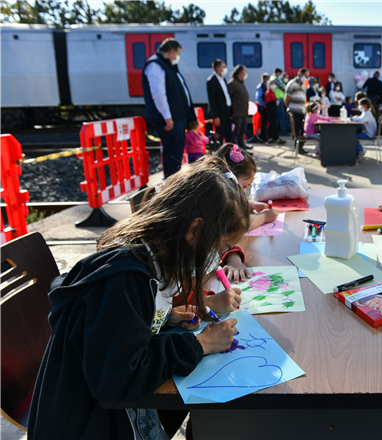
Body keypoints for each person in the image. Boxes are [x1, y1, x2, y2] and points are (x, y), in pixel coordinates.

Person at [27, 157, 247, 439]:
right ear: (194, 230)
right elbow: (118, 379)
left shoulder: (148, 259)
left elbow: (117, 331)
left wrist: (163, 318)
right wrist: (199, 345)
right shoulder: (124, 280)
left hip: (108, 415)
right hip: (90, 425)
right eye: (221, 247)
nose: (218, 259)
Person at [142, 38, 194, 178]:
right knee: (172, 151)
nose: (178, 57)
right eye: (178, 53)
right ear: (171, 52)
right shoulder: (155, 65)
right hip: (170, 118)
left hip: (177, 116)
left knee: (176, 151)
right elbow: (158, 94)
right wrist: (167, 117)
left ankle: (174, 180)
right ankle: (171, 181)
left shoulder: (168, 66)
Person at [214, 143, 279, 232]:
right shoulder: (218, 193)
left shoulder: (220, 184)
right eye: (244, 186)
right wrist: (264, 217)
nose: (244, 192)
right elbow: (240, 224)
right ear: (231, 176)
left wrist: (249, 204)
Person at [206, 59, 232, 147]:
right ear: (218, 68)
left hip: (227, 110)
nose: (225, 69)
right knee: (220, 135)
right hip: (219, 112)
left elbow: (227, 95)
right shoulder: (211, 81)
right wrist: (216, 116)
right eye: (223, 67)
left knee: (228, 134)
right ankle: (219, 153)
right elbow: (212, 100)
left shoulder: (223, 79)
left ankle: (229, 152)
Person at [227, 65, 251, 150]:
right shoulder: (232, 83)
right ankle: (235, 147)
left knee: (242, 130)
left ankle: (242, 145)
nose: (245, 74)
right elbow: (228, 98)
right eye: (245, 72)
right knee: (236, 131)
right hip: (236, 112)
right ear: (241, 73)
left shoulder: (241, 82)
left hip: (243, 112)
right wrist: (231, 112)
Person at [285, 68, 308, 155]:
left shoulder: (303, 85)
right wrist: (288, 108)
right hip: (294, 110)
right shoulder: (291, 84)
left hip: (302, 111)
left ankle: (300, 147)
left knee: (302, 130)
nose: (306, 78)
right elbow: (287, 98)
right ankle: (298, 147)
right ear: (300, 74)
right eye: (305, 76)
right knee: (296, 129)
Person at [351, 97, 375, 162]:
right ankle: (358, 153)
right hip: (368, 132)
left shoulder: (368, 113)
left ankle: (360, 151)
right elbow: (361, 118)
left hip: (369, 134)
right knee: (353, 135)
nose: (359, 106)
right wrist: (356, 117)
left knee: (352, 136)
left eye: (360, 105)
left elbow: (361, 120)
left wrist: (353, 119)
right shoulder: (366, 112)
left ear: (365, 105)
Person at [265, 80, 285, 144]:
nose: (273, 85)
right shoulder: (268, 92)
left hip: (273, 111)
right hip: (271, 112)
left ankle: (270, 138)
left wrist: (277, 101)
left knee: (272, 125)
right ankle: (277, 138)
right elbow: (268, 103)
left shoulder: (272, 92)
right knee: (274, 125)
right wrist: (275, 102)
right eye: (271, 84)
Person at [255, 73, 270, 143]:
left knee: (265, 122)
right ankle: (263, 136)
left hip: (265, 107)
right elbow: (259, 97)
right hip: (262, 107)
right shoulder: (260, 86)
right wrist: (263, 104)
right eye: (268, 79)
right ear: (264, 79)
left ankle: (265, 135)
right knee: (263, 122)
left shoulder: (265, 86)